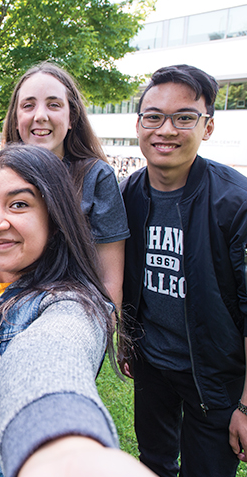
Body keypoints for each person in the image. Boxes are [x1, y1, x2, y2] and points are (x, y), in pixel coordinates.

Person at [0, 145, 155, 477]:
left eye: (19, 204)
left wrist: (63, 447)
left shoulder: (70, 307)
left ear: (55, 215)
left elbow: (49, 359)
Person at [119, 64, 247, 477]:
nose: (166, 130)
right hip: (153, 364)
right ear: (139, 125)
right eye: (153, 117)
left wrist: (245, 404)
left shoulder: (235, 203)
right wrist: (127, 337)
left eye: (184, 117)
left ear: (207, 126)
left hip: (214, 372)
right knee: (154, 464)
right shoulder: (127, 195)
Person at [3, 62, 129, 308]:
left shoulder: (96, 177)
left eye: (54, 104)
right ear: (16, 119)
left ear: (71, 118)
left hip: (71, 320)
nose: (40, 115)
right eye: (28, 105)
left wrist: (102, 335)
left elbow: (110, 281)